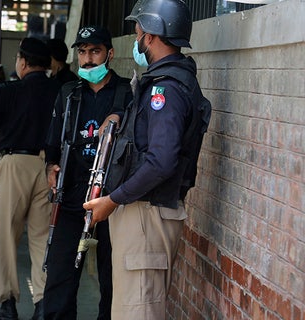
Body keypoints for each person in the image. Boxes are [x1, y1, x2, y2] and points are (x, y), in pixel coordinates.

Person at [83, 1, 211, 319]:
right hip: (143, 213)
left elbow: (161, 161)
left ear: (151, 35)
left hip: (145, 215)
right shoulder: (165, 83)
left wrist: (113, 200)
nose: (136, 37)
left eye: (138, 31)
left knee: (136, 311)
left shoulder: (165, 91)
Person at [0, 37, 59, 320]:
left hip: (15, 163)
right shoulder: (60, 91)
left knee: (6, 235)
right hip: (48, 167)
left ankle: (7, 303)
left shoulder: (10, 90)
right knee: (42, 238)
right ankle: (42, 303)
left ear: (23, 62)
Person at [43, 26, 132, 320]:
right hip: (71, 197)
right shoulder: (70, 93)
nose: (88, 59)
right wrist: (50, 166)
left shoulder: (126, 92)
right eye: (82, 52)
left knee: (111, 281)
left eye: (95, 51)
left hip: (112, 200)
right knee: (59, 280)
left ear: (110, 53)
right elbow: (54, 141)